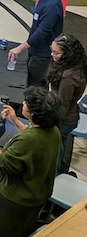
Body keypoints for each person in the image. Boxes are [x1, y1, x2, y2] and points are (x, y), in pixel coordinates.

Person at [0, 86, 61, 237]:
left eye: (26, 104)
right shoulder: (52, 131)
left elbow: (2, 163)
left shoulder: (28, 140)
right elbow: (32, 137)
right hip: (36, 197)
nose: (22, 103)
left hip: (14, 201)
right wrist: (16, 121)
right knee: (19, 235)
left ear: (34, 112)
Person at [9, 0, 64, 87]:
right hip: (35, 50)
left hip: (42, 54)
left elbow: (42, 32)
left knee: (34, 85)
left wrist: (20, 48)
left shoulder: (52, 5)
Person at [47, 34, 87, 173]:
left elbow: (61, 104)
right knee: (61, 150)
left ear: (67, 54)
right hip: (69, 116)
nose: (52, 55)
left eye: (56, 53)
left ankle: (57, 177)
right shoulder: (75, 65)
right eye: (52, 51)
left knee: (56, 155)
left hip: (63, 120)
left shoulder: (69, 78)